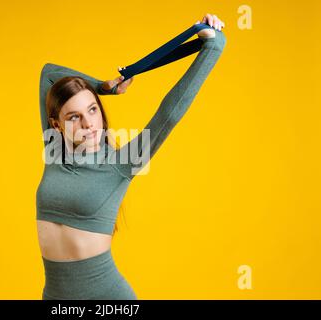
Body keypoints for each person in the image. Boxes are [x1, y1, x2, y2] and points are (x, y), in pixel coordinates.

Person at [36, 13, 226, 300]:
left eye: (93, 109)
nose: (88, 124)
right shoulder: (54, 149)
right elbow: (48, 73)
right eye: (74, 116)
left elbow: (170, 113)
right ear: (56, 125)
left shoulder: (121, 164)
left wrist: (213, 46)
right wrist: (101, 87)